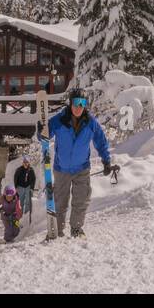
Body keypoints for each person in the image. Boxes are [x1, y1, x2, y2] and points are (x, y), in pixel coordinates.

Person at [48, 87, 113, 239]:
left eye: (82, 103)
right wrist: (41, 130)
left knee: (81, 199)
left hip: (81, 168)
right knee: (60, 202)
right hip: (62, 168)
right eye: (76, 102)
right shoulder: (59, 120)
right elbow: (44, 135)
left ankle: (76, 229)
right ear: (70, 103)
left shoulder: (91, 123)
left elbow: (101, 142)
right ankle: (57, 231)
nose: (78, 107)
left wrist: (106, 160)